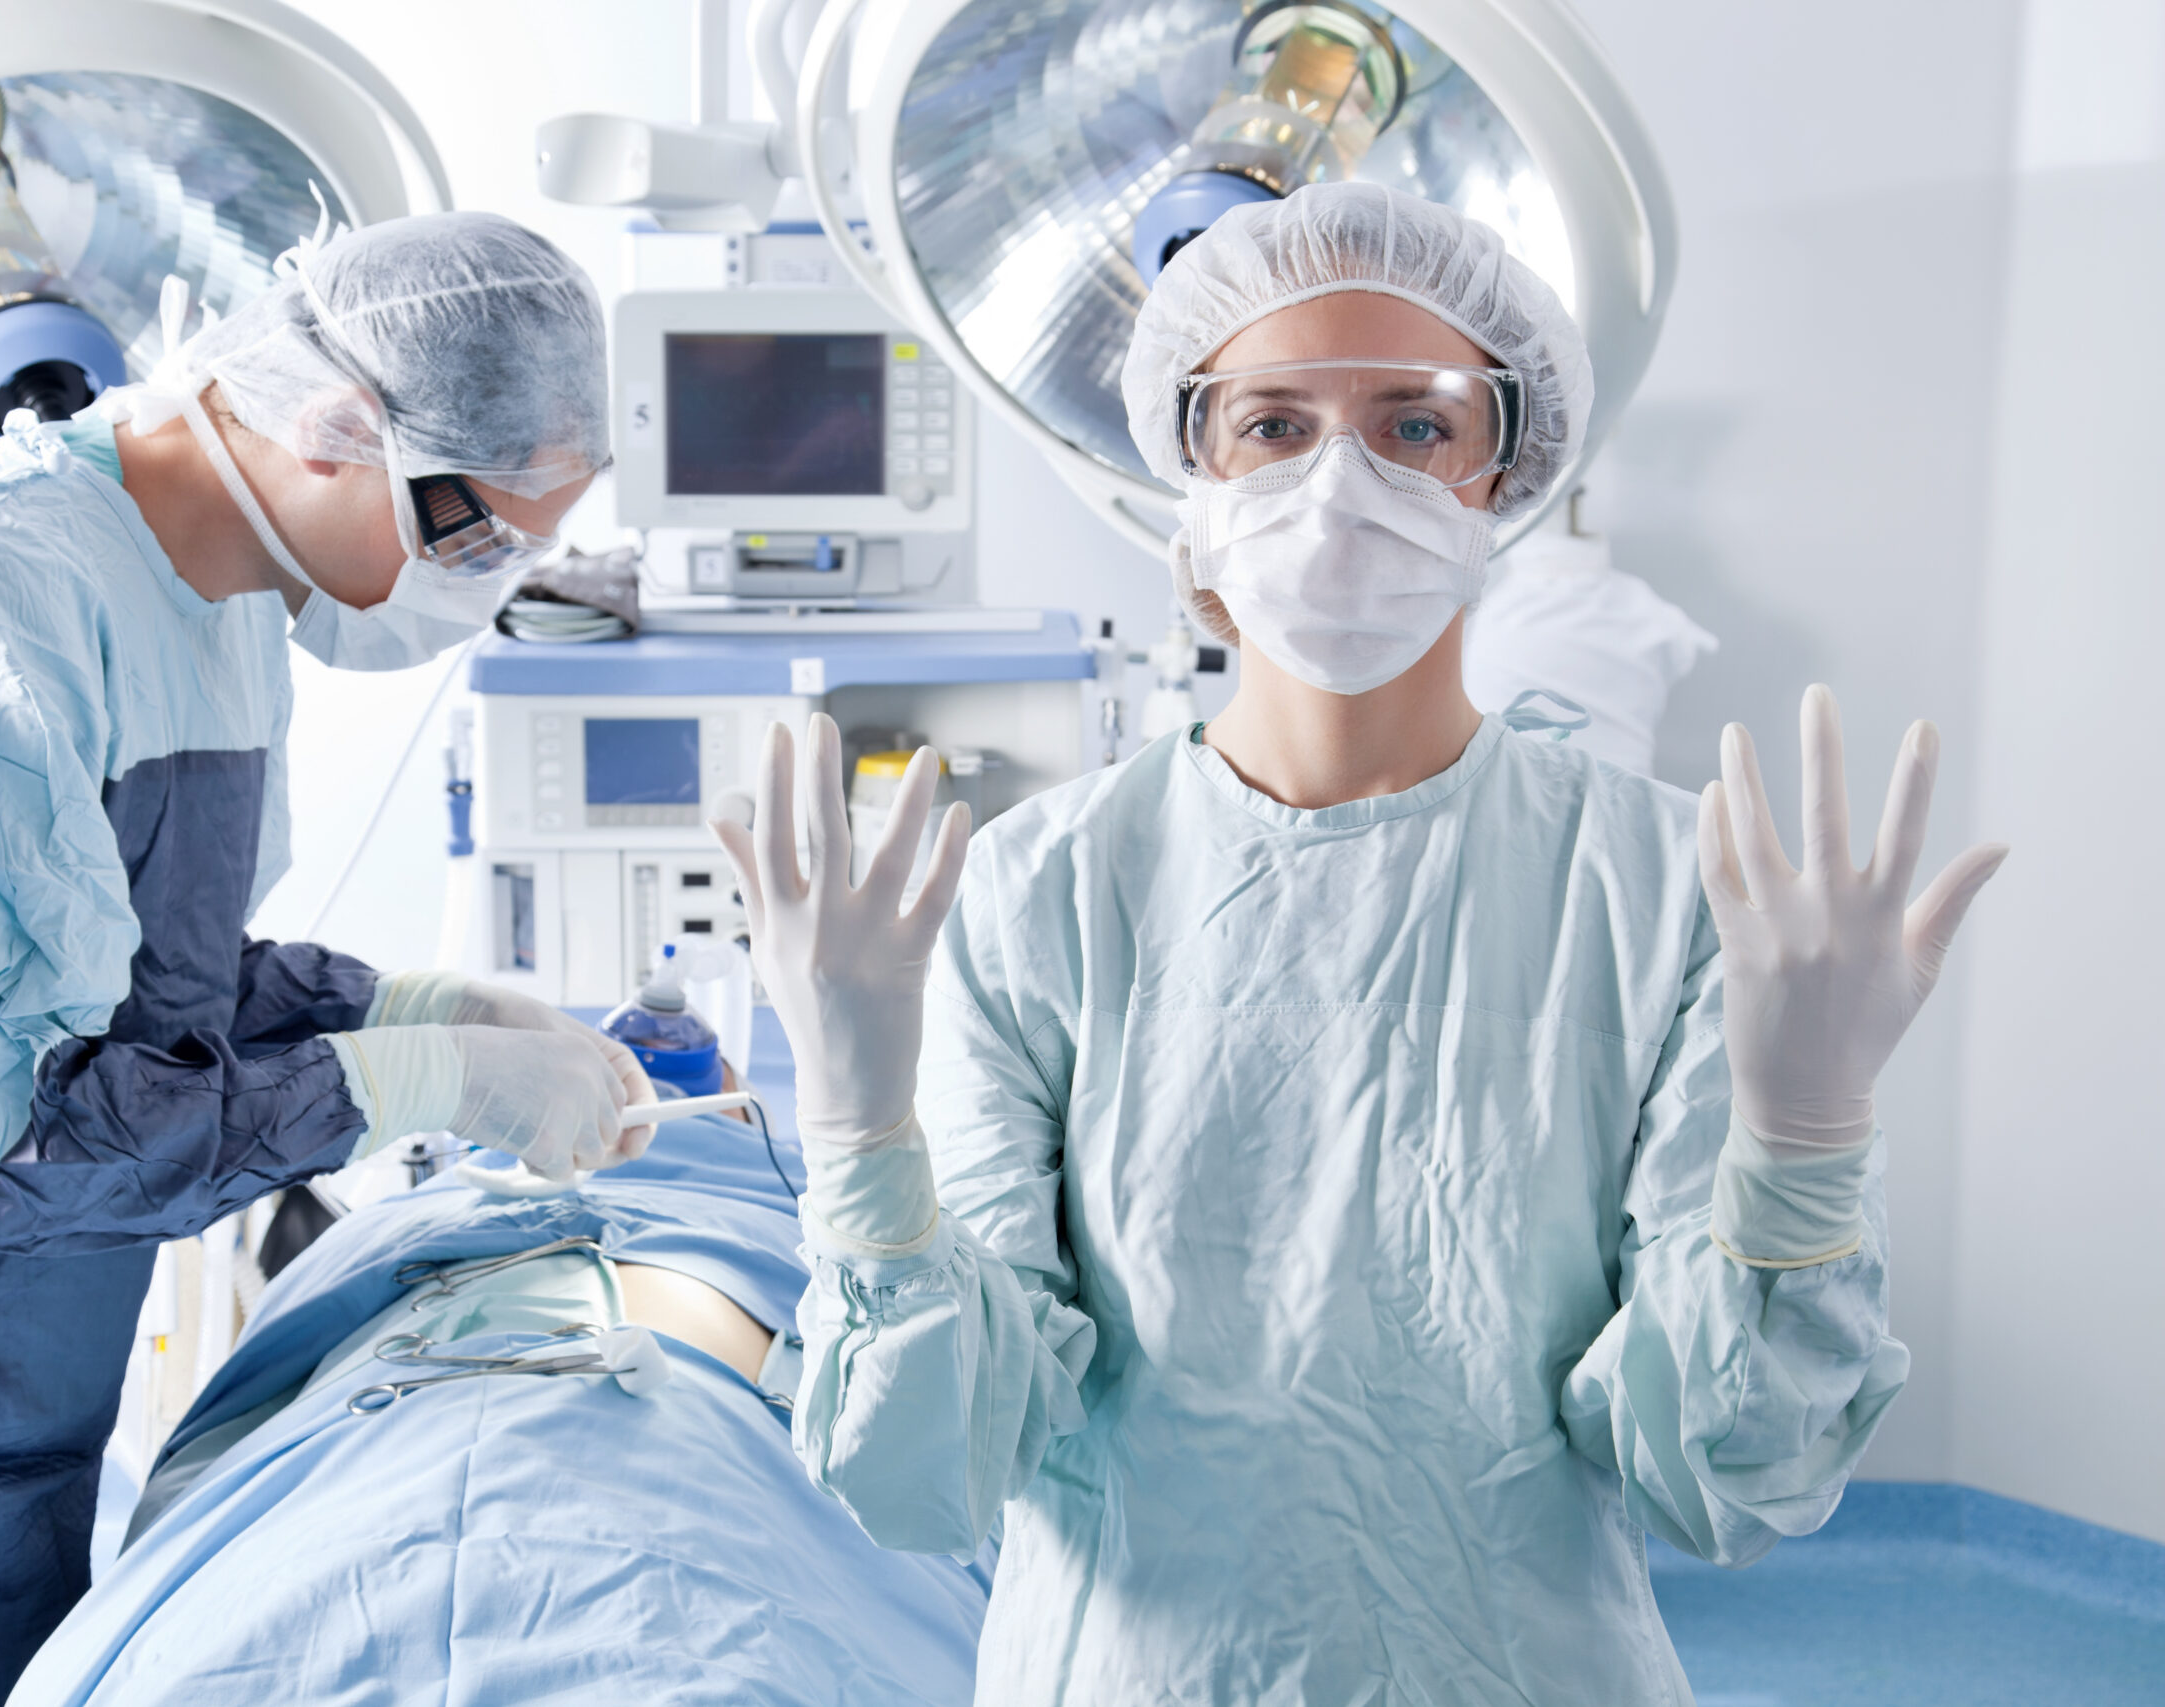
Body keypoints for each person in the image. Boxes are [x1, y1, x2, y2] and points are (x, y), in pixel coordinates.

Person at [711, 180, 2009, 1704]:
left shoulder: (1663, 888)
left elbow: (1722, 1476)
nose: (1340, 485)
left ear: (1501, 471)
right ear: (1190, 469)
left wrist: (1802, 1148)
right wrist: (862, 1143)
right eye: (1274, 424)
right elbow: (935, 1468)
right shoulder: (1040, 893)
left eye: (1414, 424)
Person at [0, 210, 656, 1707]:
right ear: (339, 428)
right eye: (476, 531)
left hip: (12, 1406)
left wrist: (413, 1004)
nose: (490, 580)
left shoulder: (224, 608)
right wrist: (421, 1077)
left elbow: (156, 979)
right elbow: (6, 1144)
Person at [4, 1104, 994, 1707]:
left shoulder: (788, 1197)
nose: (638, 1097)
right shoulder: (446, 1200)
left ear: (743, 1117)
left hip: (432, 1424)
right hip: (439, 1408)